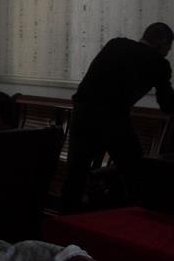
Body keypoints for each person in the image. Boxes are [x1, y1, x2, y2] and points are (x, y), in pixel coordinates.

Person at [61, 22, 174, 212]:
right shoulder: (158, 63)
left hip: (82, 113)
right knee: (135, 171)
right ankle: (133, 218)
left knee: (75, 173)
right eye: (168, 48)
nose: (167, 52)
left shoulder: (115, 44)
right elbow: (167, 104)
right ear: (161, 43)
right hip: (113, 118)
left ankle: (63, 221)